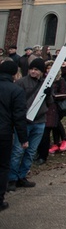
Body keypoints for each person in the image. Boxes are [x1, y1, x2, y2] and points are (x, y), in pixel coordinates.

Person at [8, 57, 50, 191]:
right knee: (18, 151)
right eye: (31, 69)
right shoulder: (21, 83)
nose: (33, 71)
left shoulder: (45, 84)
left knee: (31, 151)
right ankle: (12, 178)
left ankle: (22, 176)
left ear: (41, 72)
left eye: (36, 69)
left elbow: (50, 102)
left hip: (40, 122)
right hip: (24, 122)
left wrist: (48, 94)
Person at [0, 60, 28, 211]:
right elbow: (19, 116)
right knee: (3, 166)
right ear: (14, 74)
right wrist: (23, 138)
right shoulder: (15, 90)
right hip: (4, 133)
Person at [36, 60, 66, 164]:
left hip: (52, 108)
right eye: (48, 68)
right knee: (40, 133)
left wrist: (52, 95)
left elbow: (63, 94)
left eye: (51, 68)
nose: (49, 70)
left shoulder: (60, 80)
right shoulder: (41, 79)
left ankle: (43, 155)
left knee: (47, 131)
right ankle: (38, 152)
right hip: (40, 108)